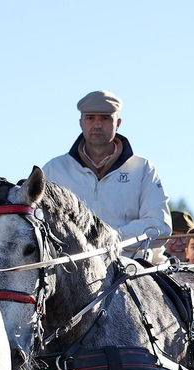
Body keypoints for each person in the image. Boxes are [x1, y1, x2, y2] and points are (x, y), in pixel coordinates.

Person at [42, 90, 171, 262]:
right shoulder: (54, 169)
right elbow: (33, 222)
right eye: (90, 118)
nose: (97, 125)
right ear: (81, 123)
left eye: (105, 118)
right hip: (68, 269)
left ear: (118, 123)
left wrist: (111, 238)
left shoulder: (142, 168)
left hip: (128, 267)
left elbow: (160, 226)